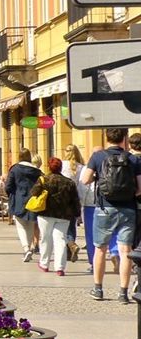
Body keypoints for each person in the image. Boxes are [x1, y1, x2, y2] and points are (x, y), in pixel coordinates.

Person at [79, 127, 141, 303]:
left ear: (107, 137)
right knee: (125, 251)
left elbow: (84, 179)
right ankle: (123, 293)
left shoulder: (98, 156)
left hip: (104, 209)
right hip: (128, 209)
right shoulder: (132, 159)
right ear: (125, 138)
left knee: (100, 249)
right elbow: (139, 189)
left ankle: (98, 289)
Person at [31, 157, 81, 277]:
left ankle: (44, 263)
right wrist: (77, 213)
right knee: (61, 240)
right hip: (64, 215)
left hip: (45, 214)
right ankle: (60, 267)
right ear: (61, 168)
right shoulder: (69, 182)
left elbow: (34, 192)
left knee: (46, 239)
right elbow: (75, 200)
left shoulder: (43, 179)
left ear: (49, 167)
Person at [6, 149, 42, 262]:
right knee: (31, 225)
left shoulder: (15, 169)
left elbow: (8, 186)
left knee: (21, 226)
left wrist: (12, 194)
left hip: (18, 200)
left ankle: (26, 248)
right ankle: (31, 247)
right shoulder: (36, 171)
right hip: (33, 200)